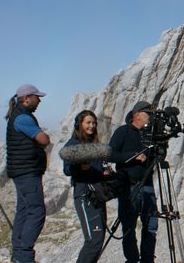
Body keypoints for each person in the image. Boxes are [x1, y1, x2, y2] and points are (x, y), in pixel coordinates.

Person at [5, 84, 51, 263]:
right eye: (36, 97)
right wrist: (42, 141)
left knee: (23, 211)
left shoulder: (18, 115)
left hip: (21, 172)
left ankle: (18, 254)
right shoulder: (23, 118)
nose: (39, 100)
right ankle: (24, 255)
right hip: (27, 172)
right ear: (26, 99)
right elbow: (44, 139)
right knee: (37, 212)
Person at [109, 101, 158, 263]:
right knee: (129, 227)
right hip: (129, 186)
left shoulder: (150, 135)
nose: (150, 117)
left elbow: (158, 158)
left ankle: (147, 260)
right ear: (137, 114)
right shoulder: (123, 132)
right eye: (148, 114)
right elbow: (110, 154)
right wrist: (133, 155)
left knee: (151, 225)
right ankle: (132, 260)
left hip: (148, 185)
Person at [63, 110, 109, 263]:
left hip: (98, 196)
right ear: (79, 124)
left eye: (94, 123)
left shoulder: (95, 145)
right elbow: (67, 170)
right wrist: (80, 167)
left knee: (98, 239)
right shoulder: (73, 144)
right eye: (88, 122)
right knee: (93, 241)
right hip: (85, 195)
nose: (92, 126)